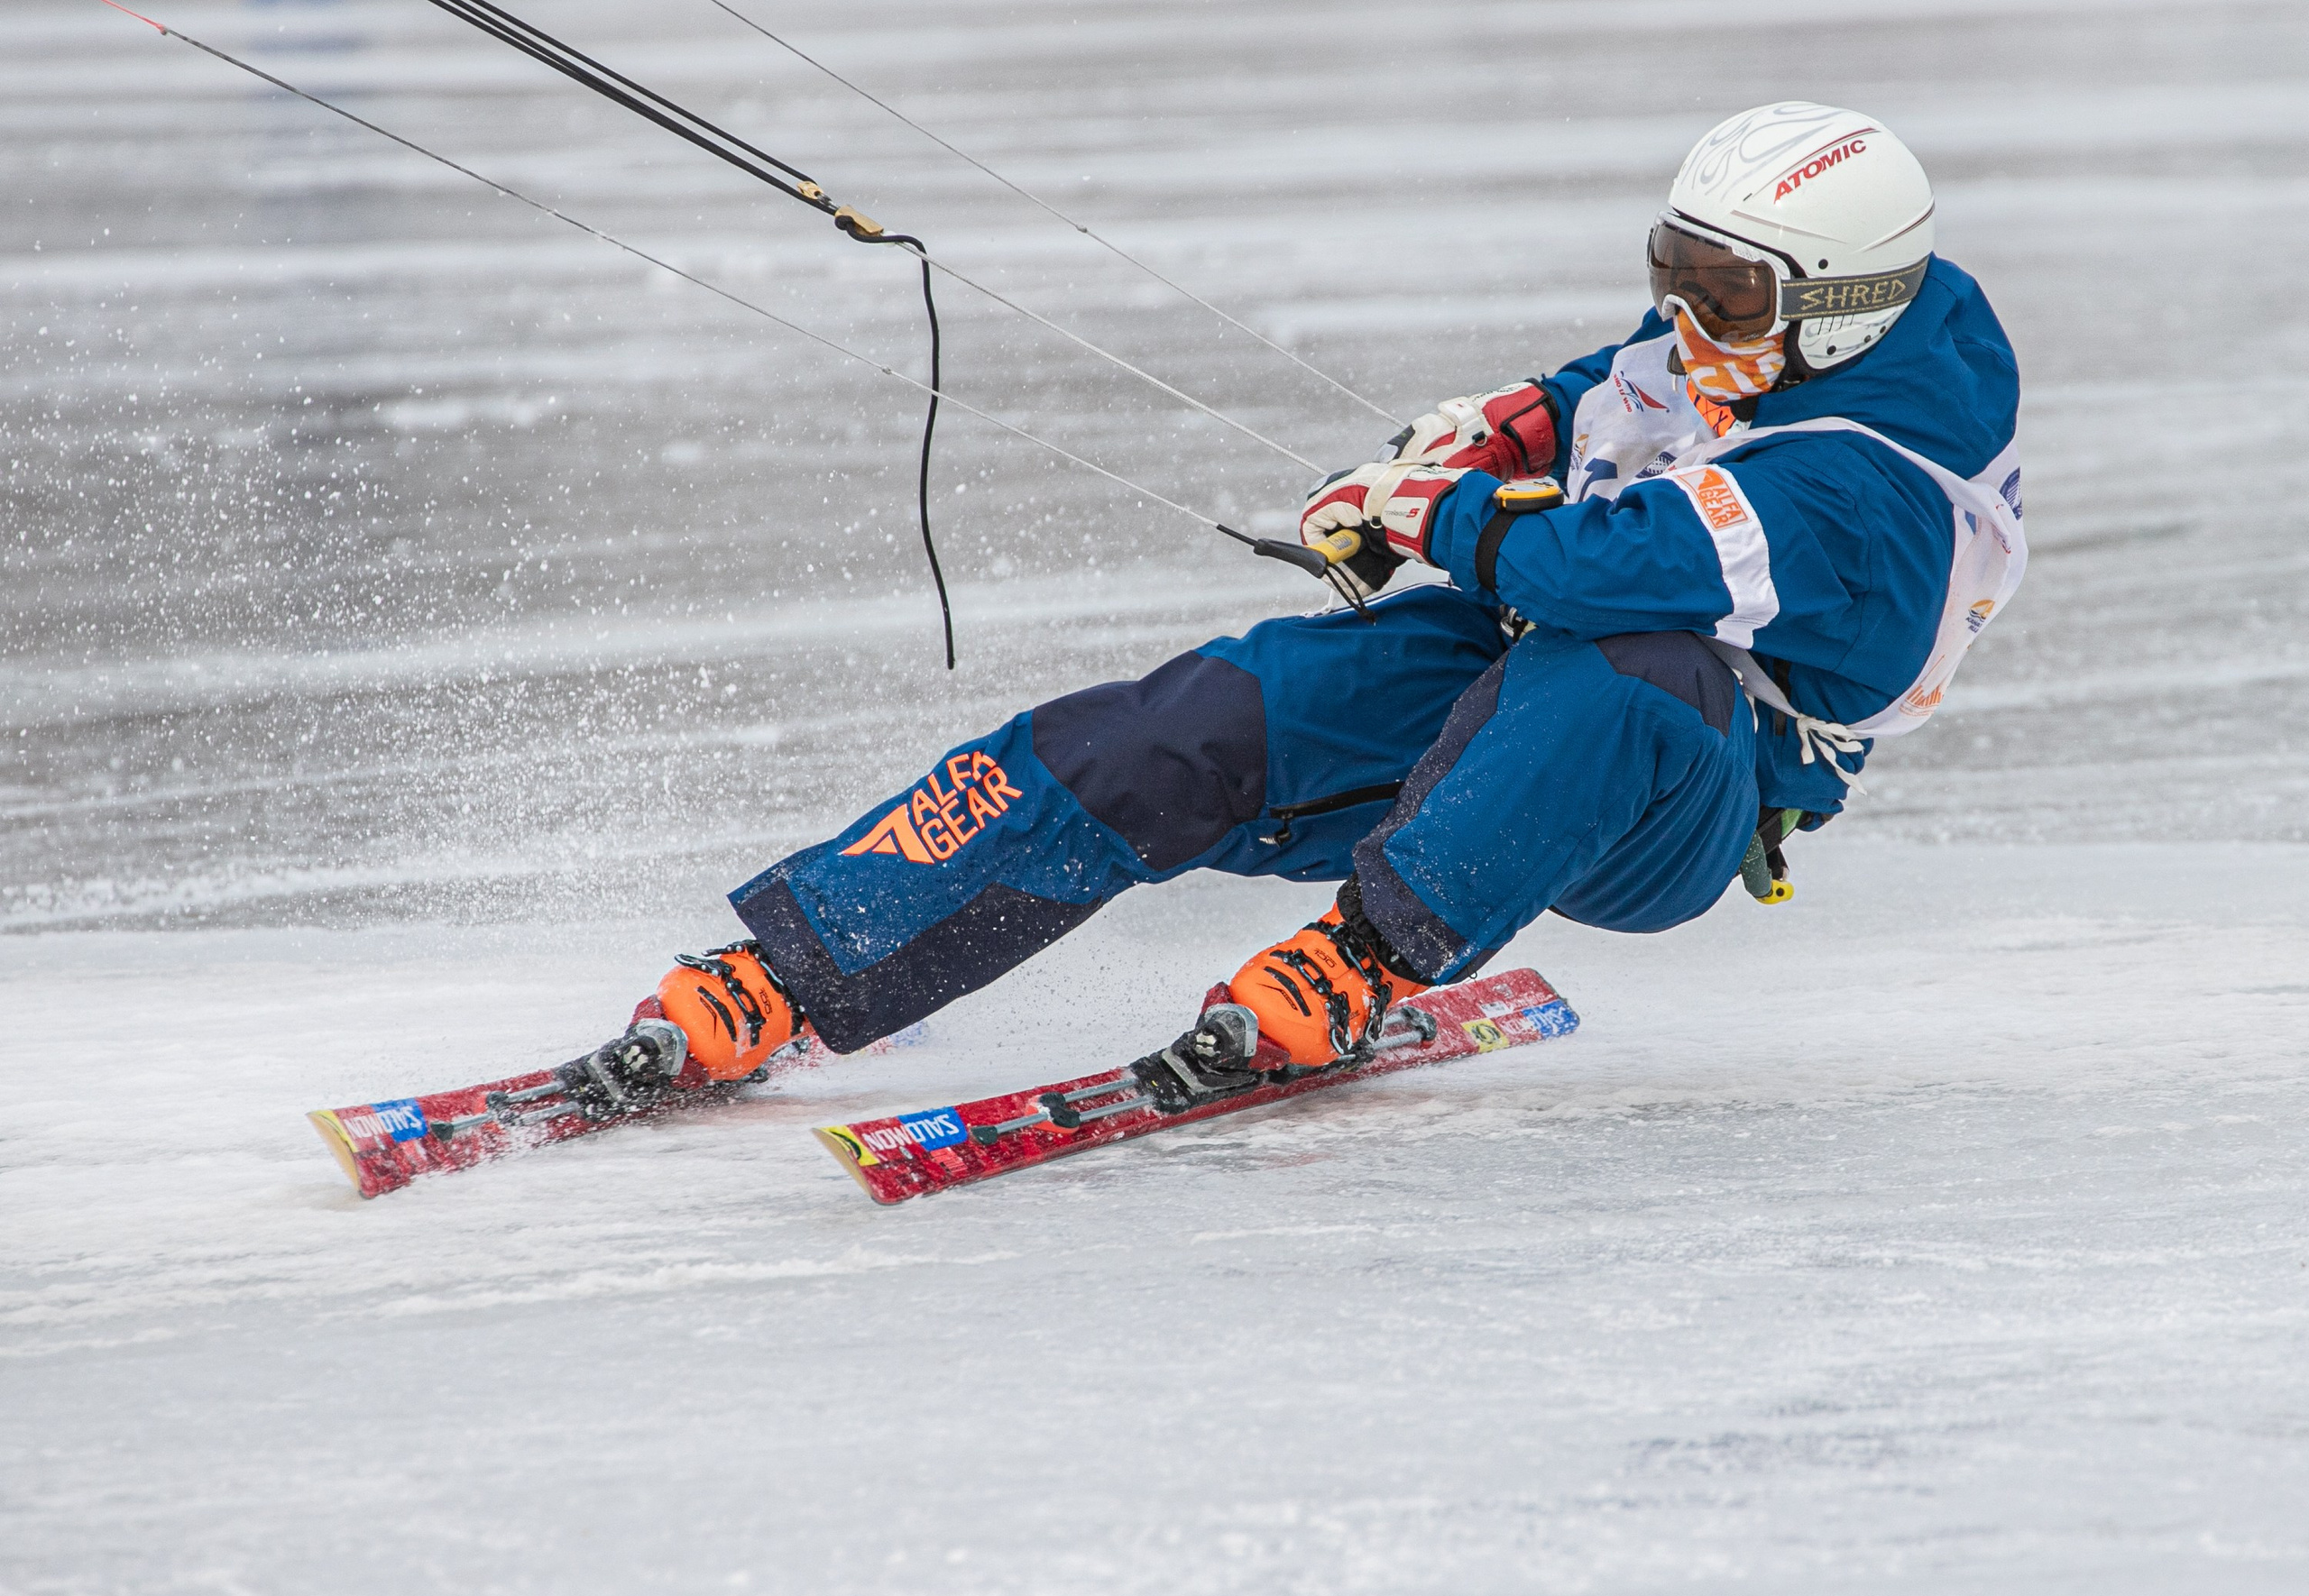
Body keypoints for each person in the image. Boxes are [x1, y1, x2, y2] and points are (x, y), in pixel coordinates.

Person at [588, 99, 2026, 1105]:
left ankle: (1360, 961)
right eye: (1679, 272)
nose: (1689, 314)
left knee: (1625, 660)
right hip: (1532, 664)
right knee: (1196, 726)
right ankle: (798, 966)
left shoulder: (1867, 486)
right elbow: (1632, 378)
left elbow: (1599, 568)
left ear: (1837, 305)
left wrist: (1428, 507)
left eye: (1728, 295)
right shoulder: (1795, 325)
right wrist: (1509, 428)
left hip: (1680, 793)